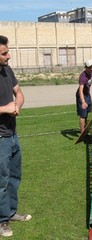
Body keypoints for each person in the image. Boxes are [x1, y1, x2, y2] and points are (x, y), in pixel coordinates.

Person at [0, 35, 32, 238]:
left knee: (14, 176)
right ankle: (2, 221)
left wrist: (17, 105)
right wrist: (4, 108)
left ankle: (10, 212)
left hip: (12, 133)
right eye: (4, 53)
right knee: (1, 181)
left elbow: (19, 93)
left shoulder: (6, 70)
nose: (9, 56)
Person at [76, 60, 92, 134]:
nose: (91, 68)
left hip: (87, 94)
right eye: (89, 67)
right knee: (83, 115)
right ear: (85, 67)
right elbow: (80, 90)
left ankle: (84, 128)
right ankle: (82, 133)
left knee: (87, 112)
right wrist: (83, 102)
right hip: (81, 96)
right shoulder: (82, 76)